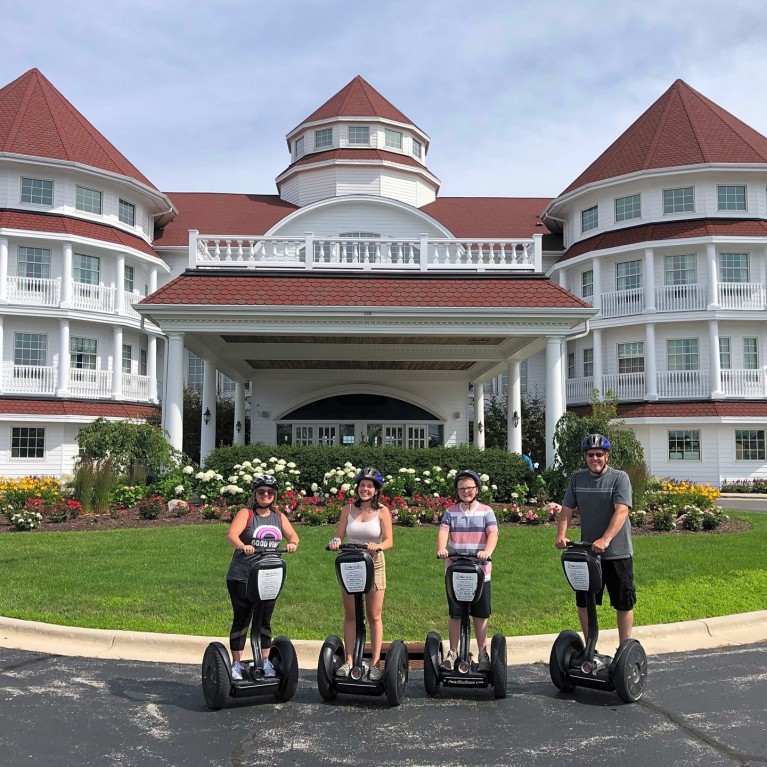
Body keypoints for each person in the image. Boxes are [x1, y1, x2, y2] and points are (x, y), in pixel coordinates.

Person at [555, 433, 635, 644]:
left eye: (599, 454)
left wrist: (606, 539)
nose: (595, 458)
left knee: (623, 602)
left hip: (618, 552)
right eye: (591, 454)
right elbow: (566, 510)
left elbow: (622, 511)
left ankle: (624, 648)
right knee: (584, 601)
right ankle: (591, 647)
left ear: (606, 456)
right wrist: (561, 535)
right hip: (589, 554)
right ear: (585, 457)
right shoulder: (577, 479)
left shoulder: (620, 478)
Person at [225, 474, 299, 680]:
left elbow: (293, 536)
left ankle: (265, 662)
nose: (265, 495)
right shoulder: (246, 513)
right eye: (261, 492)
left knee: (264, 619)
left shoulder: (278, 516)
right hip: (242, 576)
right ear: (255, 494)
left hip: (268, 575)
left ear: (274, 495)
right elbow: (232, 535)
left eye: (269, 492)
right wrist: (242, 546)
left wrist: (292, 544)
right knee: (243, 618)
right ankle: (237, 664)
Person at [328, 467, 393, 681]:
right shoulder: (347, 509)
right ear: (357, 488)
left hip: (374, 563)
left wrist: (378, 546)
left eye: (370, 486)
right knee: (351, 615)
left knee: (374, 615)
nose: (365, 489)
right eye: (362, 485)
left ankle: (375, 663)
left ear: (376, 490)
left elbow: (389, 541)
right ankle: (348, 661)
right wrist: (335, 542)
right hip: (351, 563)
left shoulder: (382, 510)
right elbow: (338, 536)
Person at [437, 469, 499, 672]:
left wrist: (487, 551)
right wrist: (442, 548)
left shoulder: (486, 511)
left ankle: (482, 653)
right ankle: (453, 652)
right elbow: (443, 531)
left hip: (480, 570)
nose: (466, 491)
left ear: (477, 489)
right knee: (455, 614)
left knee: (480, 614)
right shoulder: (450, 512)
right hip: (455, 570)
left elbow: (493, 533)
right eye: (462, 488)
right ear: (457, 490)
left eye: (470, 488)